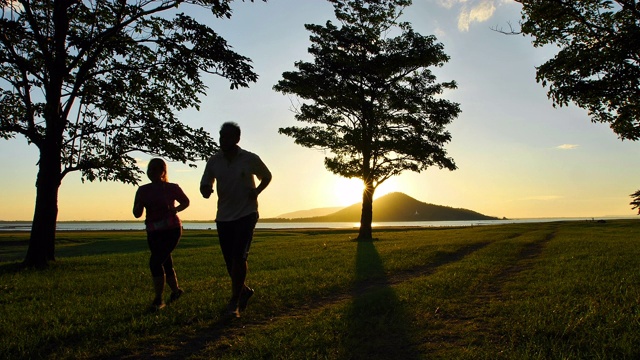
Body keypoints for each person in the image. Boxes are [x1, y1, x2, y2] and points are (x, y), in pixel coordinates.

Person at [200, 122, 272, 318]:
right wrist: (206, 190)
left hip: (246, 214)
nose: (223, 140)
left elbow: (267, 176)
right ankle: (245, 291)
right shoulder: (214, 160)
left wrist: (256, 191)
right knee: (229, 262)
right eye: (221, 136)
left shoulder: (249, 158)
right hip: (223, 216)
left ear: (237, 139)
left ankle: (234, 302)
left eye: (227, 137)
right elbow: (205, 183)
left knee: (239, 257)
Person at [133, 158, 190, 310]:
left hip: (171, 230)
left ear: (163, 171)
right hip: (153, 231)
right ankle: (176, 292)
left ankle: (159, 300)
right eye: (150, 169)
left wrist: (176, 209)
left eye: (156, 169)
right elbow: (136, 213)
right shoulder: (143, 190)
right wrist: (139, 205)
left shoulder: (172, 187)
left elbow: (185, 201)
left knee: (155, 262)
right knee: (165, 262)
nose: (152, 172)